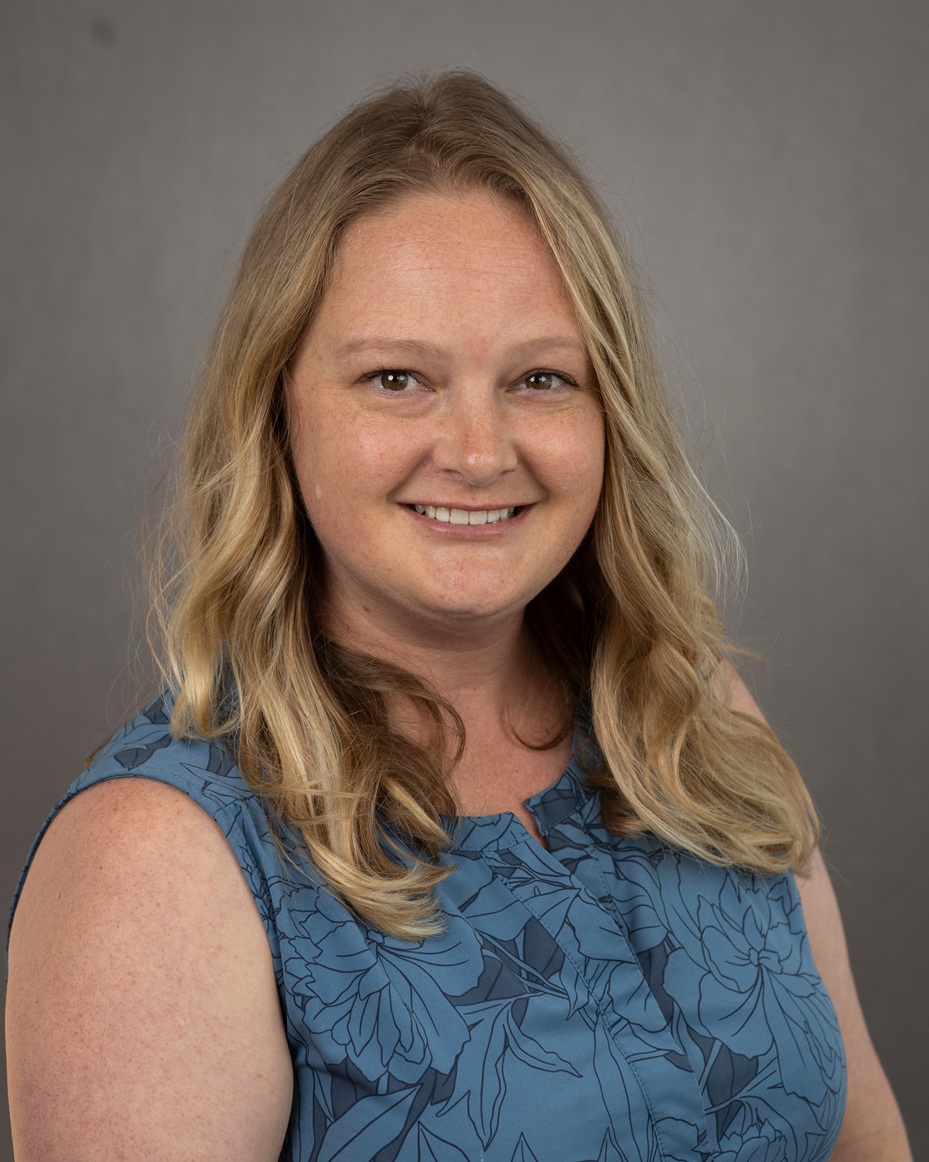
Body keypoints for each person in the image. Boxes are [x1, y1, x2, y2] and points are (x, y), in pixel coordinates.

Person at [6, 72, 909, 1161]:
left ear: (608, 411)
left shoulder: (692, 719)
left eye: (539, 379)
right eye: (396, 378)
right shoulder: (158, 858)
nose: (479, 453)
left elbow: (859, 1132)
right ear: (276, 407)